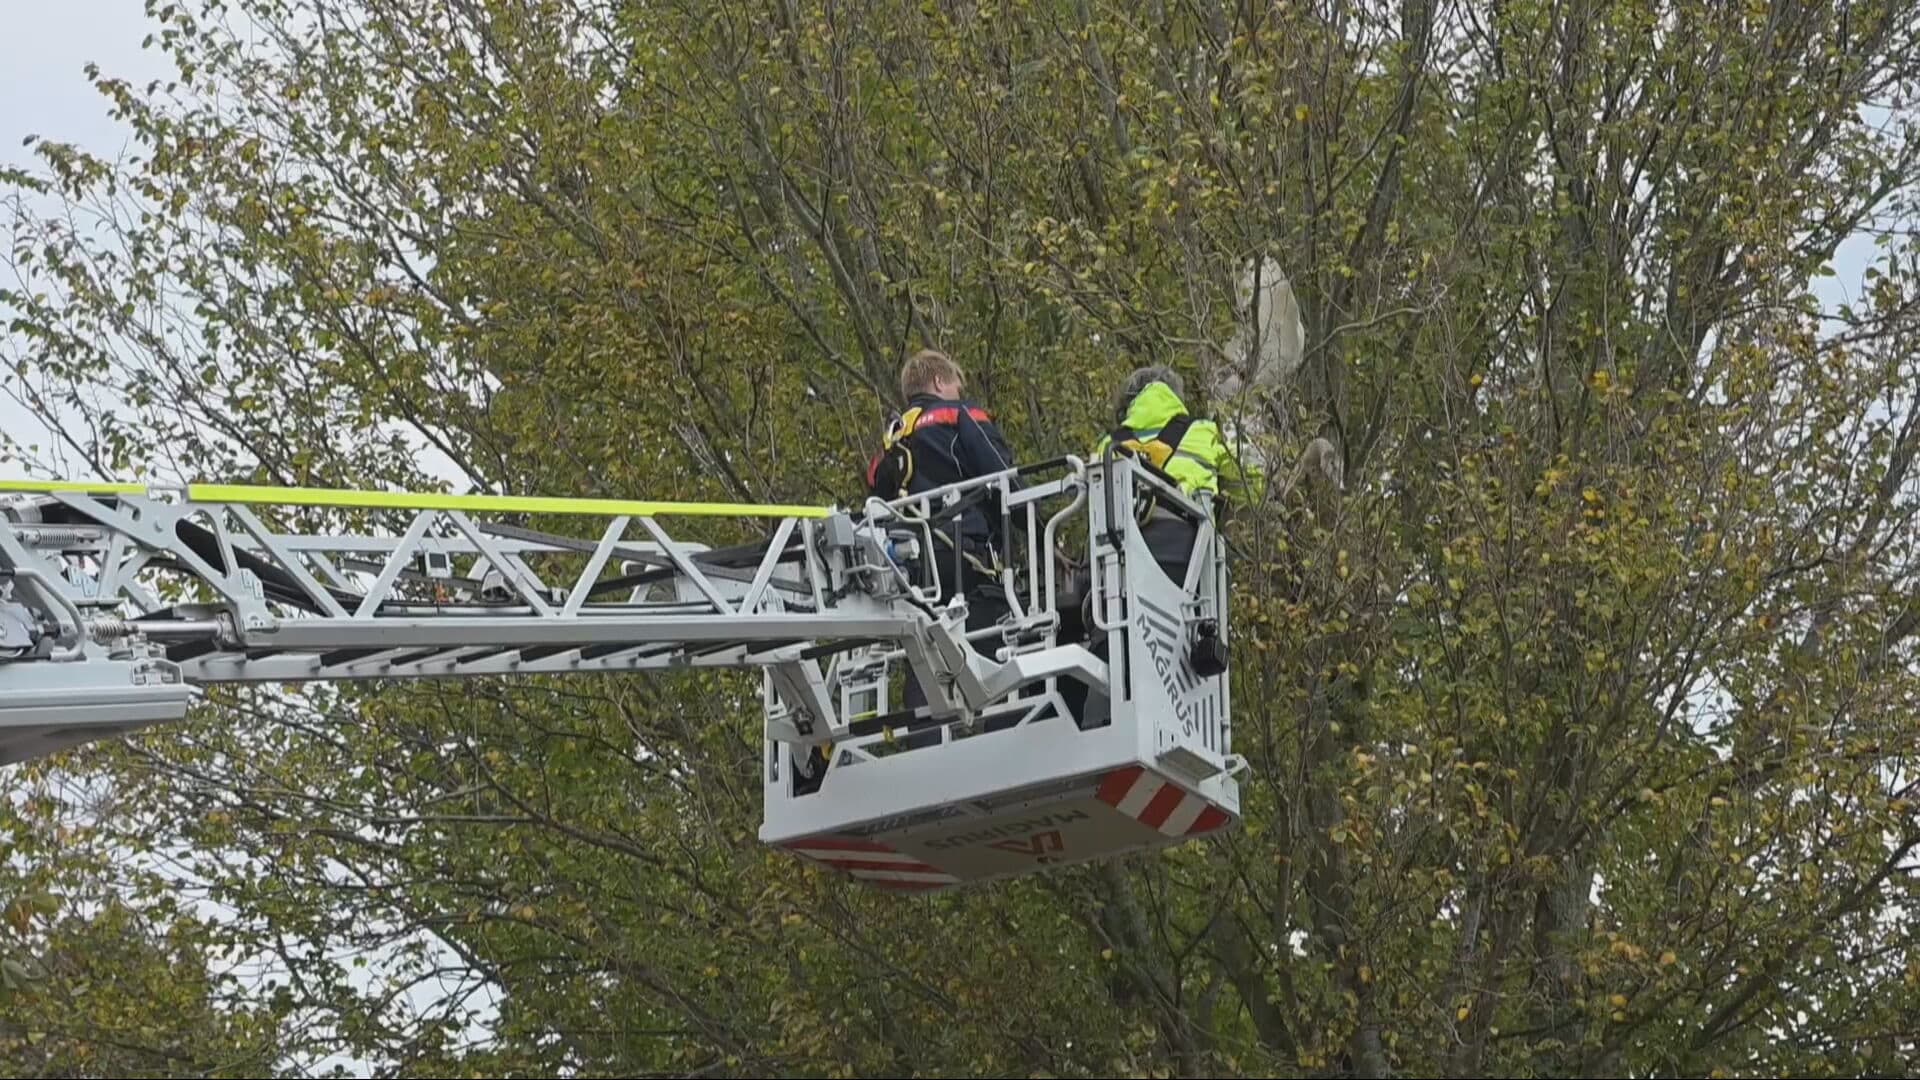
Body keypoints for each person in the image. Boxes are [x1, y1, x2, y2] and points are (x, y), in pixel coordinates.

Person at [1058, 364, 1259, 727]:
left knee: (1114, 653)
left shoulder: (1109, 445)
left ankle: (1101, 725)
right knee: (1179, 663)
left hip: (1119, 569)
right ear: (1175, 397)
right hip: (1184, 564)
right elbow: (1254, 484)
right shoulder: (1203, 433)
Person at [864, 349, 1023, 717]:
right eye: (955, 384)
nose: (958, 391)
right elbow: (1002, 474)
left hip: (913, 571)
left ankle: (928, 735)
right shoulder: (960, 415)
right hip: (966, 557)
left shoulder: (893, 439)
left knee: (925, 652)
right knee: (993, 642)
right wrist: (1041, 525)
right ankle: (1005, 726)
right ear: (939, 381)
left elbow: (875, 494)